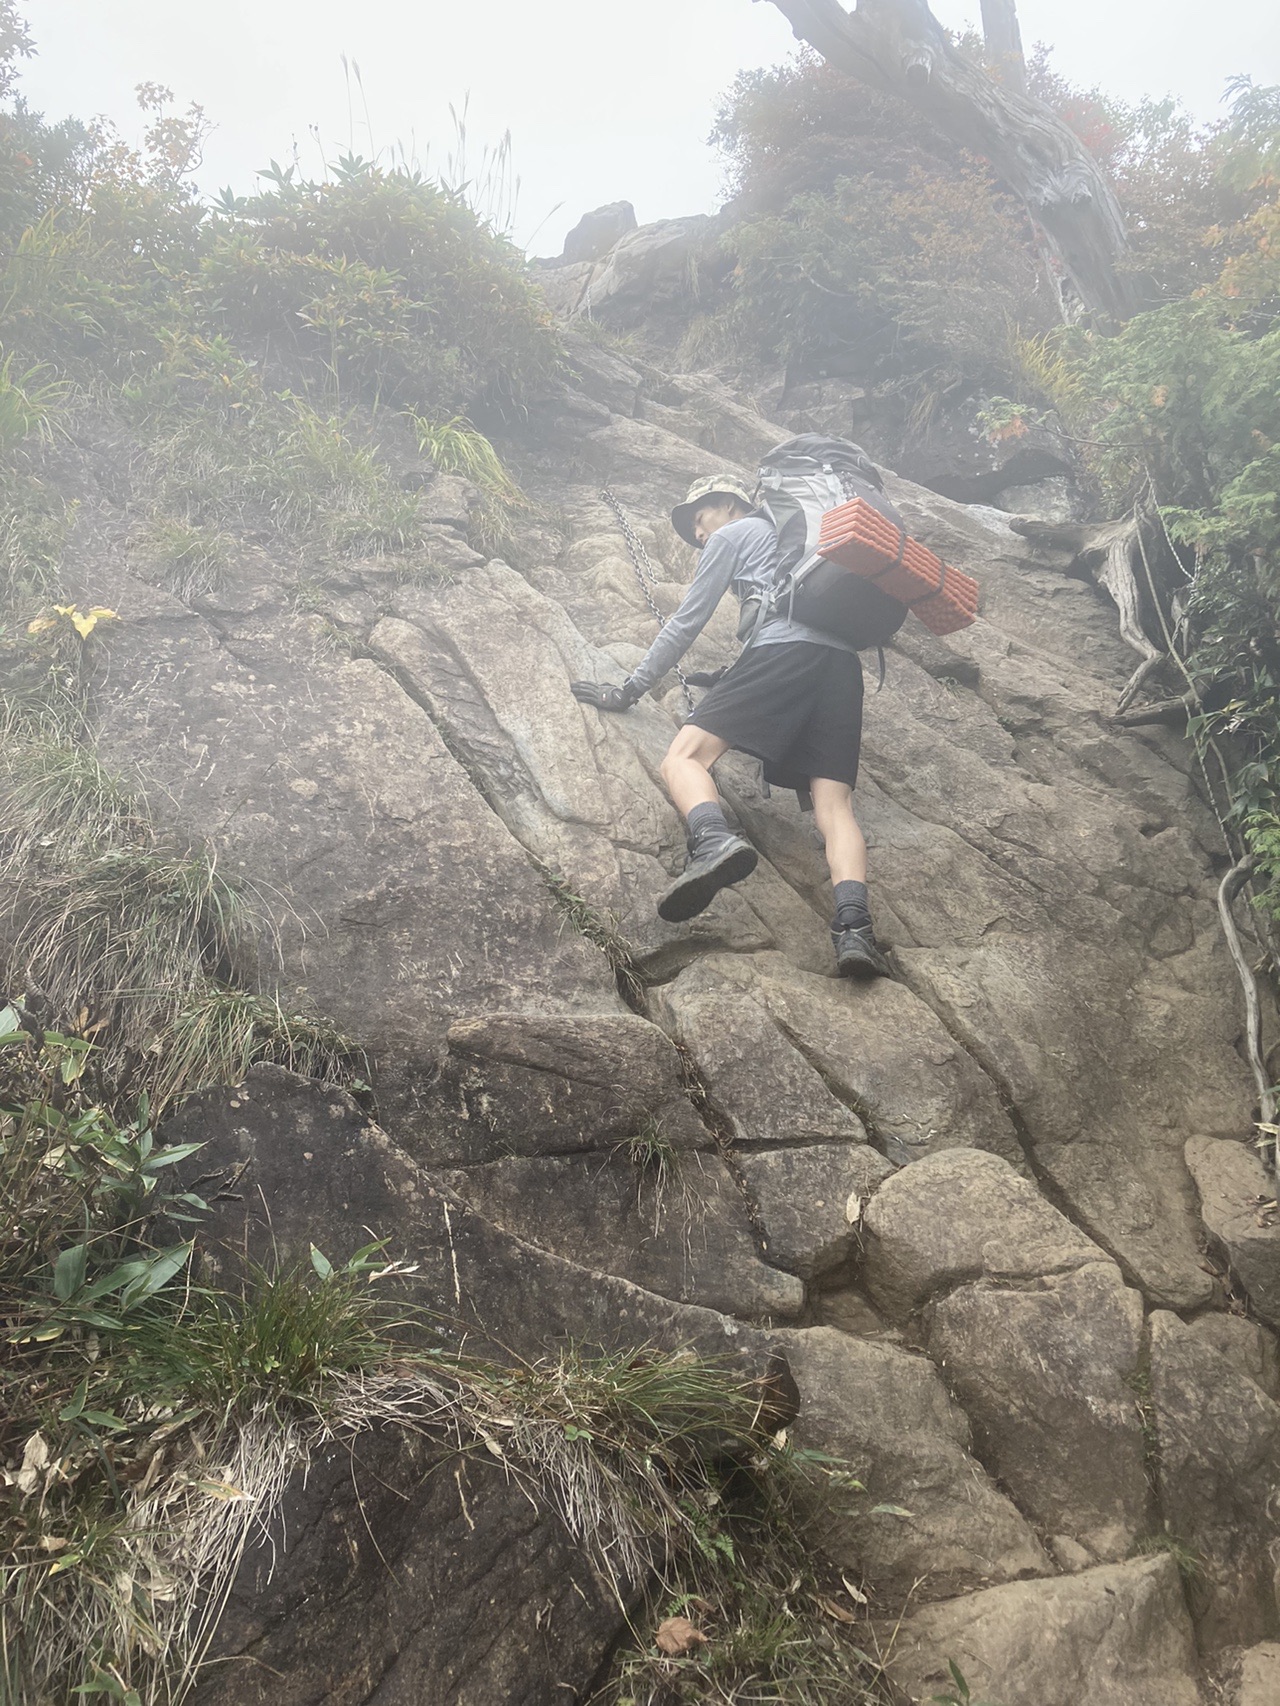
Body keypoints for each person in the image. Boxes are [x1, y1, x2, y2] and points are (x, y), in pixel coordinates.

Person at [570, 476, 891, 979]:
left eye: (700, 520)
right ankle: (855, 930)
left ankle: (713, 840)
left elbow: (686, 621)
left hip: (782, 653)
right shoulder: (803, 541)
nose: (699, 535)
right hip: (841, 668)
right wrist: (732, 673)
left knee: (683, 758)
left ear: (727, 503)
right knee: (834, 806)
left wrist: (630, 689)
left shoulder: (736, 534)